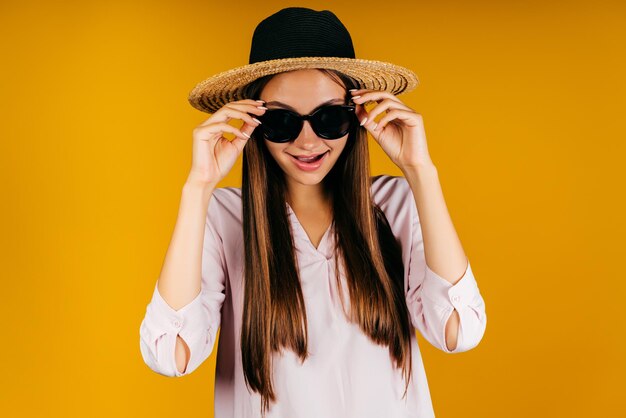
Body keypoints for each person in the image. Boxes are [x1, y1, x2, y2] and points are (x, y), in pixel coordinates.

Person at [139, 6, 487, 418]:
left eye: (328, 118)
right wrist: (198, 187)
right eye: (282, 121)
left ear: (358, 116)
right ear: (252, 121)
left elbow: (459, 330)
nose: (307, 142)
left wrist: (420, 172)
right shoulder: (223, 218)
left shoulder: (395, 204)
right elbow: (170, 354)